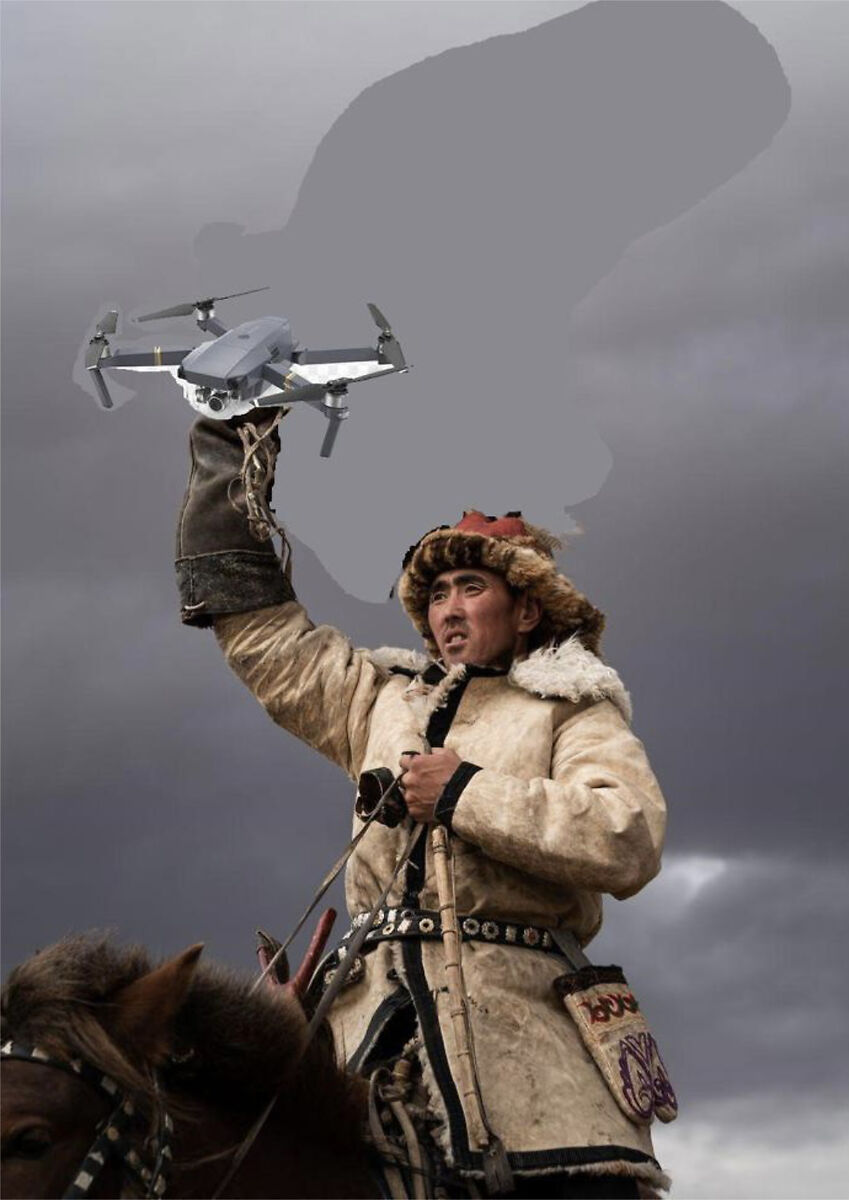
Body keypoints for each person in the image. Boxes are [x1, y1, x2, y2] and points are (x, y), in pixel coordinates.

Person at [176, 411, 672, 1198]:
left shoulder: (572, 709)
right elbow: (267, 640)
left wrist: (466, 792)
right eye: (437, 592)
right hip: (367, 1036)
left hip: (533, 1054)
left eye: (472, 588)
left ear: (526, 611)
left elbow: (627, 836)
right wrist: (226, 448)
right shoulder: (379, 700)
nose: (448, 607)